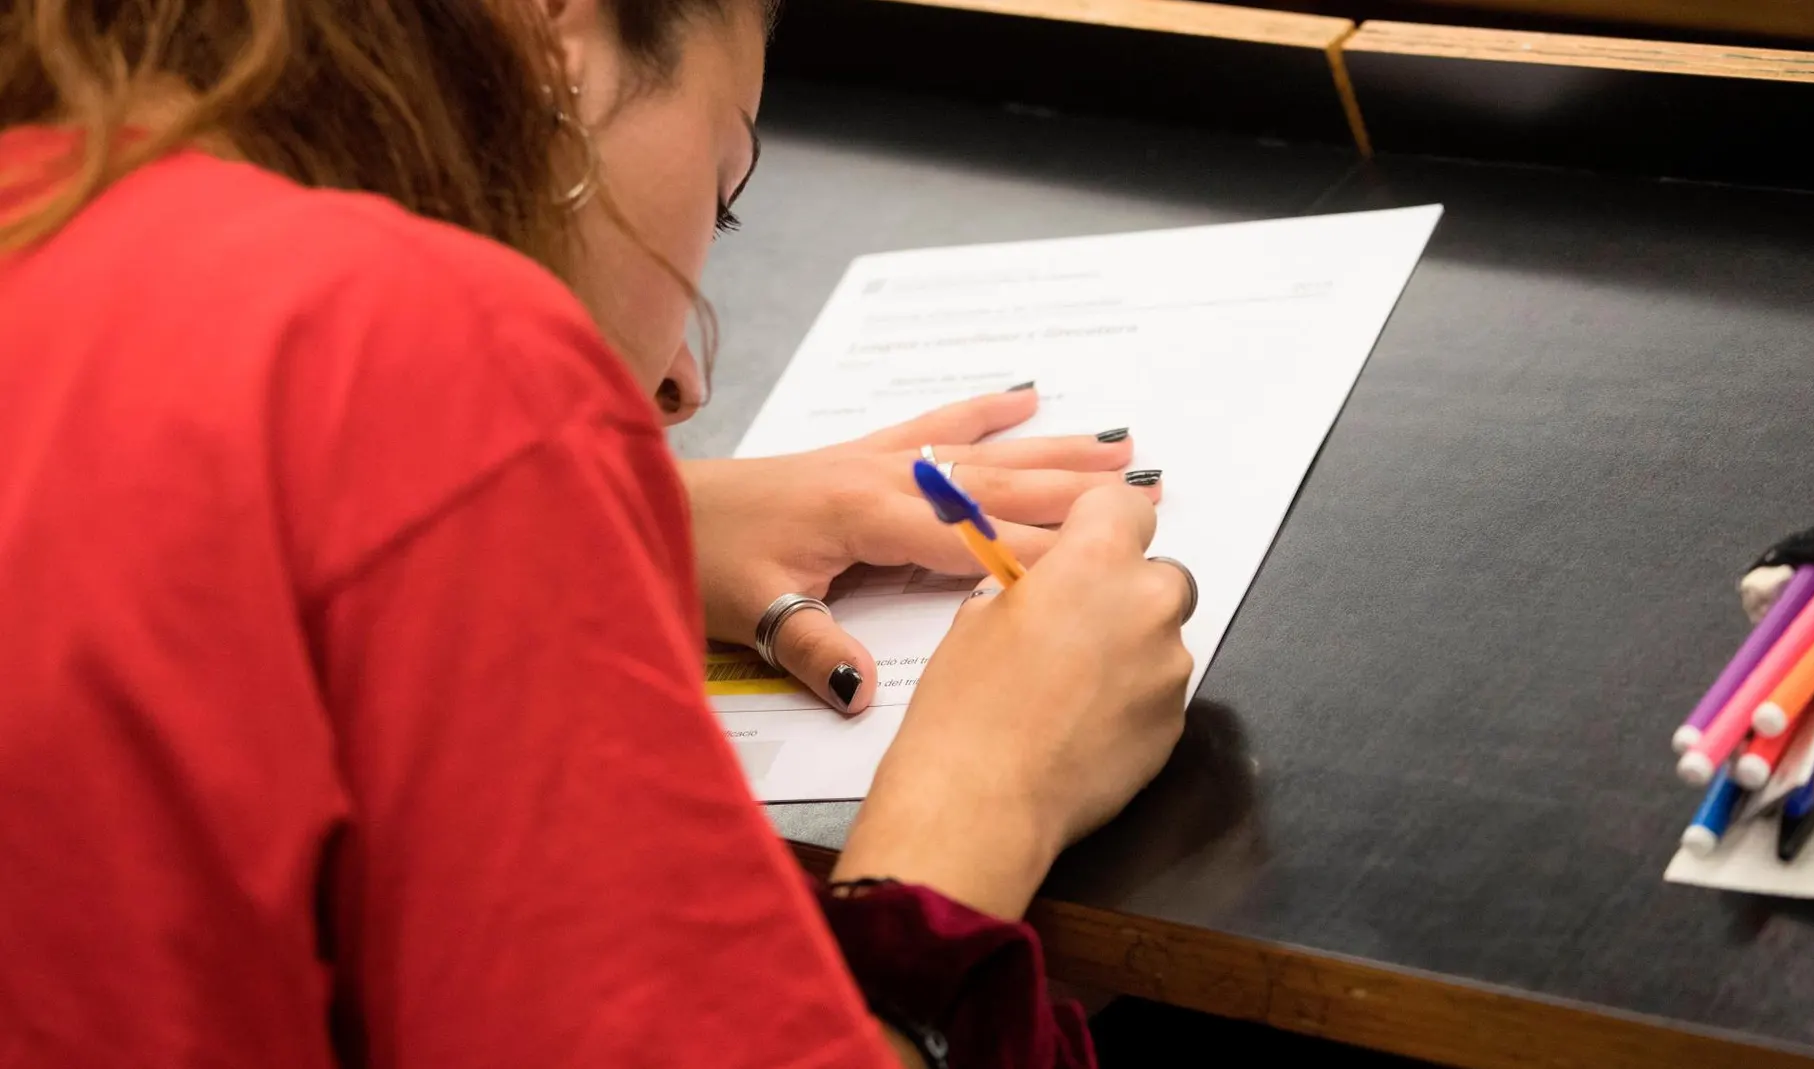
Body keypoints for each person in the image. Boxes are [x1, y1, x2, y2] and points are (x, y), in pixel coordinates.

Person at [0, 2, 1195, 1067]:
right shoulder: (402, 354)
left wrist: (648, 515)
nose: (680, 387)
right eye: (720, 196)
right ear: (552, 34)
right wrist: (987, 793)